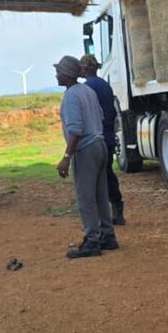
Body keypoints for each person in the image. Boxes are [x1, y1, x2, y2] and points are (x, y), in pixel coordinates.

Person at [54, 54, 115, 259]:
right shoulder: (87, 90)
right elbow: (102, 115)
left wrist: (66, 156)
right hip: (100, 145)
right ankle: (107, 235)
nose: (56, 75)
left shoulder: (71, 96)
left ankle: (91, 240)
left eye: (58, 71)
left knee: (85, 197)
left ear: (66, 75)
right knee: (100, 194)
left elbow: (76, 130)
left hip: (86, 148)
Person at [79, 53, 126, 225]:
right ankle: (117, 207)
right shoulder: (104, 85)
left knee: (96, 176)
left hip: (96, 136)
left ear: (84, 68)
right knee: (107, 172)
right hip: (108, 135)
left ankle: (101, 214)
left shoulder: (87, 87)